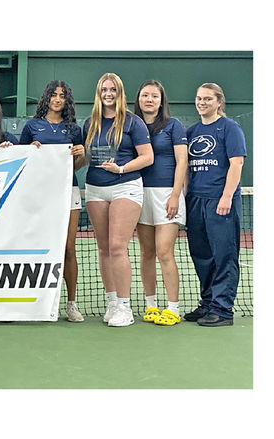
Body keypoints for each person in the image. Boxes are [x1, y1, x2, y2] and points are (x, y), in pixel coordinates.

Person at [82, 72, 153, 327]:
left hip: (126, 186)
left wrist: (121, 169)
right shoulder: (90, 122)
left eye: (113, 89)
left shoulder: (134, 123)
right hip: (95, 189)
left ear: (119, 92)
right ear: (99, 93)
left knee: (116, 247)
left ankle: (125, 306)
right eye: (104, 90)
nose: (108, 94)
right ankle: (112, 302)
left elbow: (147, 157)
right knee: (102, 248)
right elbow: (85, 159)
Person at [19, 80, 87, 322]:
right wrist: (32, 149)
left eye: (62, 96)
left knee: (68, 248)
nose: (57, 99)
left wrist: (81, 155)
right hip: (40, 195)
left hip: (68, 193)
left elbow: (76, 167)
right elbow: (23, 162)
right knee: (41, 247)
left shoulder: (74, 129)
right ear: (46, 98)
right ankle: (38, 302)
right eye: (53, 95)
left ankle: (71, 304)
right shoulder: (32, 126)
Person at [183, 83, 246, 327]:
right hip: (195, 202)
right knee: (201, 255)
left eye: (208, 99)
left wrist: (227, 196)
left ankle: (223, 309)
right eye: (199, 98)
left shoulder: (230, 128)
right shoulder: (192, 131)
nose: (202, 102)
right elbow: (186, 169)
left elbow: (237, 163)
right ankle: (208, 303)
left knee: (224, 256)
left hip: (220, 202)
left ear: (219, 102)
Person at [132, 79, 188, 326]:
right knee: (146, 253)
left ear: (161, 100)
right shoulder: (131, 125)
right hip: (138, 193)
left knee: (165, 252)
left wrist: (175, 195)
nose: (150, 100)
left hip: (166, 195)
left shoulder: (174, 126)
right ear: (139, 99)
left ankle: (173, 308)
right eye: (145, 95)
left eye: (154, 96)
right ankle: (151, 305)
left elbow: (182, 162)